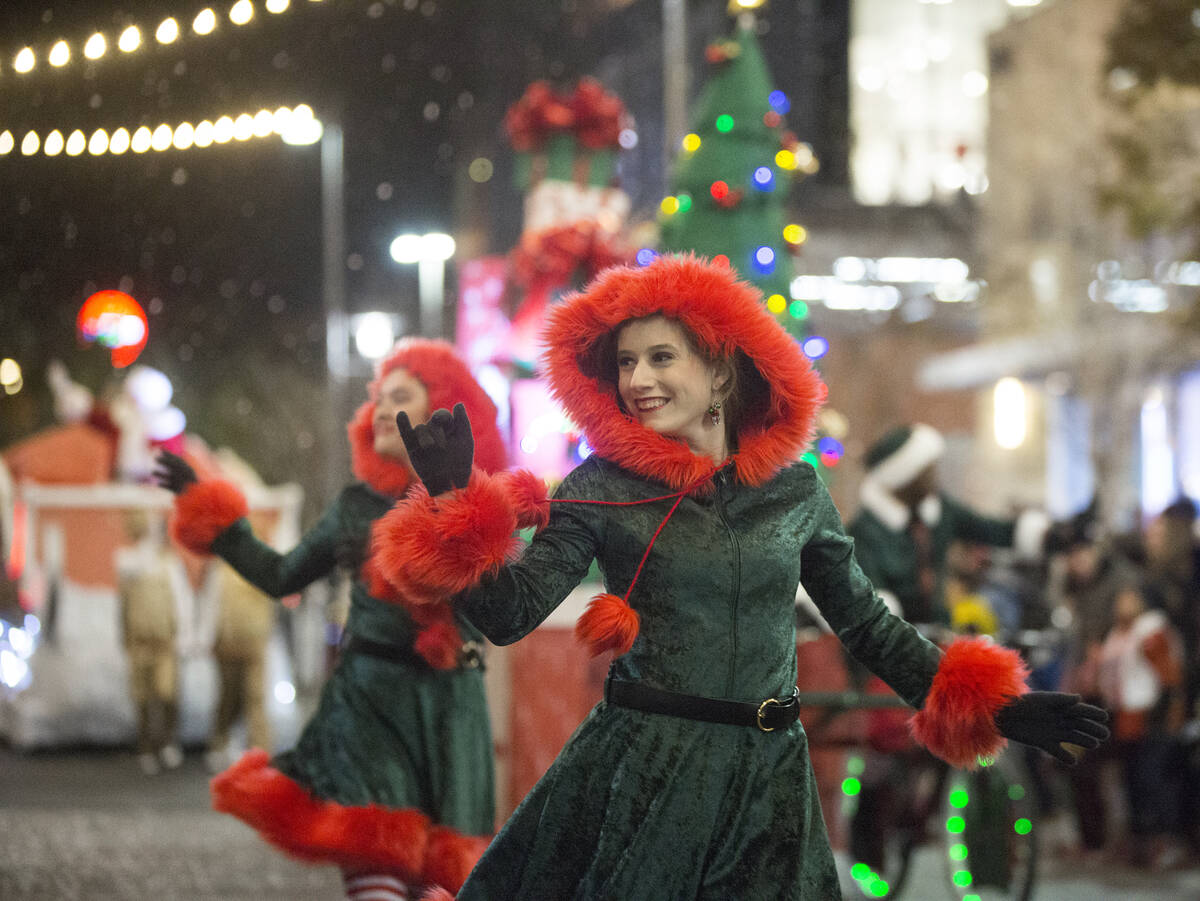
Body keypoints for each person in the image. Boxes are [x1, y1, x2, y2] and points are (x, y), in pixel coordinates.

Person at [371, 255, 1109, 900]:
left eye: (662, 357)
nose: (638, 380)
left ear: (720, 368)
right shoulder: (600, 485)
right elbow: (511, 613)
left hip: (769, 786)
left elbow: (867, 625)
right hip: (648, 774)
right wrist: (452, 503)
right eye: (626, 362)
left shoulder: (796, 494)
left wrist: (994, 705)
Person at [153, 339, 515, 900]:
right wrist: (212, 514)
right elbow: (282, 575)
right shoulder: (353, 506)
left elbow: (504, 603)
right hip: (367, 703)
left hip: (453, 710)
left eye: (402, 396)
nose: (380, 410)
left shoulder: (486, 502)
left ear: (442, 407)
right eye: (378, 398)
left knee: (445, 879)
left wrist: (455, 506)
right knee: (376, 858)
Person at [848, 423, 1050, 626]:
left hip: (938, 630)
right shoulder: (864, 531)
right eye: (925, 471)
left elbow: (991, 530)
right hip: (890, 642)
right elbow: (868, 599)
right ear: (904, 478)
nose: (933, 477)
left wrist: (1047, 535)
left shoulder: (939, 511)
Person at [1096, 580, 1187, 868]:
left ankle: (1165, 842)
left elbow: (1170, 676)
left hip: (1150, 716)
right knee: (1131, 783)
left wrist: (1171, 714)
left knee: (1153, 782)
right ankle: (1139, 844)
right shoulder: (1121, 632)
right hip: (1124, 717)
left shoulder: (1150, 630)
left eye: (1128, 597)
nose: (1121, 604)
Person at [114, 509, 186, 775]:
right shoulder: (128, 563)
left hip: (165, 640)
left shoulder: (169, 563)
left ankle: (167, 741)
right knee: (142, 697)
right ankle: (146, 747)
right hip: (138, 641)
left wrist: (182, 633)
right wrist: (123, 635)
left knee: (166, 693)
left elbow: (181, 601)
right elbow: (123, 604)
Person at [205, 558, 276, 773]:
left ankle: (260, 753)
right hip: (227, 642)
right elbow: (211, 603)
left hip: (254, 642)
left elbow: (272, 599)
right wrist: (207, 637)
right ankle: (220, 742)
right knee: (229, 697)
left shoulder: (261, 566)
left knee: (255, 698)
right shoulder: (220, 569)